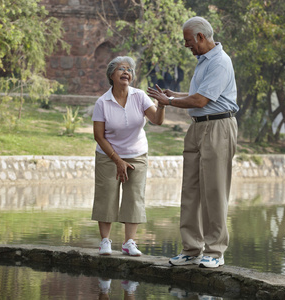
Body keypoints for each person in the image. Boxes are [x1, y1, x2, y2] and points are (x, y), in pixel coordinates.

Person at [147, 16, 238, 268]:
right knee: (191, 190)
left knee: (214, 190)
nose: (187, 46)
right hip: (198, 128)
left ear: (200, 37)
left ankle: (215, 252)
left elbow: (201, 101)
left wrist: (169, 103)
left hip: (218, 126)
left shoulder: (220, 61)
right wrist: (175, 95)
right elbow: (200, 95)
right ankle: (191, 249)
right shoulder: (203, 62)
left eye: (189, 41)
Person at [92, 56, 165, 257]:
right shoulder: (102, 102)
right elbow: (98, 136)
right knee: (107, 195)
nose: (126, 72)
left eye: (129, 70)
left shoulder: (140, 96)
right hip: (108, 155)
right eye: (121, 68)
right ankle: (105, 241)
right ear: (111, 75)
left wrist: (162, 105)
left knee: (134, 196)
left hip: (137, 154)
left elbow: (157, 121)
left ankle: (129, 243)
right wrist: (117, 160)